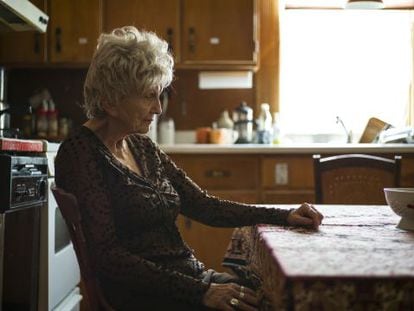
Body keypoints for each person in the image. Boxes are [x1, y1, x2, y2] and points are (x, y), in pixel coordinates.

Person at [55, 26, 323, 311]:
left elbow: (204, 205)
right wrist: (201, 293)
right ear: (111, 99)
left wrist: (285, 215)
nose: (158, 108)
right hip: (143, 296)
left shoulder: (141, 147)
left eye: (159, 95)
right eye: (148, 96)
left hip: (189, 280)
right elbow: (108, 257)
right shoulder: (79, 154)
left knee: (276, 296)